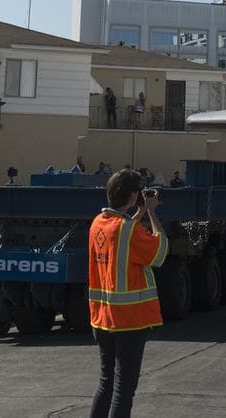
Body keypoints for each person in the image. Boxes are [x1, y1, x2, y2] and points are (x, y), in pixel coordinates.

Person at [88, 168, 167, 418]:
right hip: (129, 320)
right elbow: (159, 252)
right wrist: (152, 212)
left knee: (106, 382)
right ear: (133, 195)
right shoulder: (127, 230)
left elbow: (121, 236)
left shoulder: (98, 224)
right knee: (124, 390)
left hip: (101, 318)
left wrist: (140, 211)